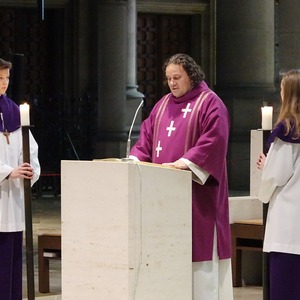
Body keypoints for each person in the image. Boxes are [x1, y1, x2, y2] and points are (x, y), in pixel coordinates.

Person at [129, 53, 233, 300]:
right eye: (168, 78)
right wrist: (134, 160)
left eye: (177, 77)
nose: (172, 83)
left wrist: (186, 163)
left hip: (198, 197)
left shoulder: (210, 103)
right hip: (163, 197)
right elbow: (146, 139)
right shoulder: (162, 105)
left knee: (200, 267)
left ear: (192, 76)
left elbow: (215, 139)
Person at [257, 69, 300, 300]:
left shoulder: (288, 130)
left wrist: (266, 169)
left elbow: (277, 175)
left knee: (286, 289)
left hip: (289, 228)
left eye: (282, 89)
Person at [0, 58, 40, 299]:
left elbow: (30, 149)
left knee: (12, 260)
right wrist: (6, 171)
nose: (3, 83)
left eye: (6, 79)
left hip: (13, 201)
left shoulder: (14, 111)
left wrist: (29, 169)